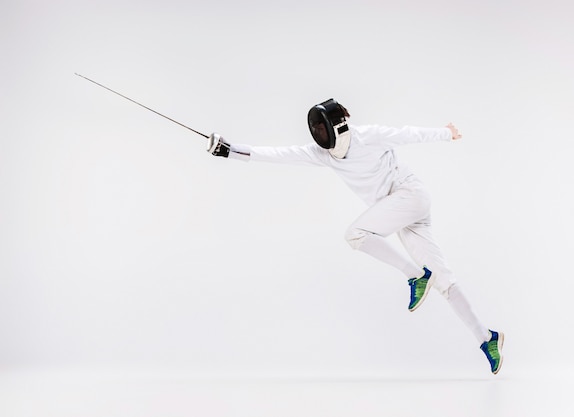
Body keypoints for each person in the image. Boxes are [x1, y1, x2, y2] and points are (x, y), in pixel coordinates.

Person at [207, 98, 504, 374]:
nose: (319, 134)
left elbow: (407, 133)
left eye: (323, 127)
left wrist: (445, 133)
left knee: (356, 234)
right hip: (401, 212)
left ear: (337, 126)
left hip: (410, 195)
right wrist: (230, 150)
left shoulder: (369, 136)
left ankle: (416, 275)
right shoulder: (323, 155)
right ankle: (486, 337)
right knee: (444, 281)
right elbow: (279, 154)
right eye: (316, 129)